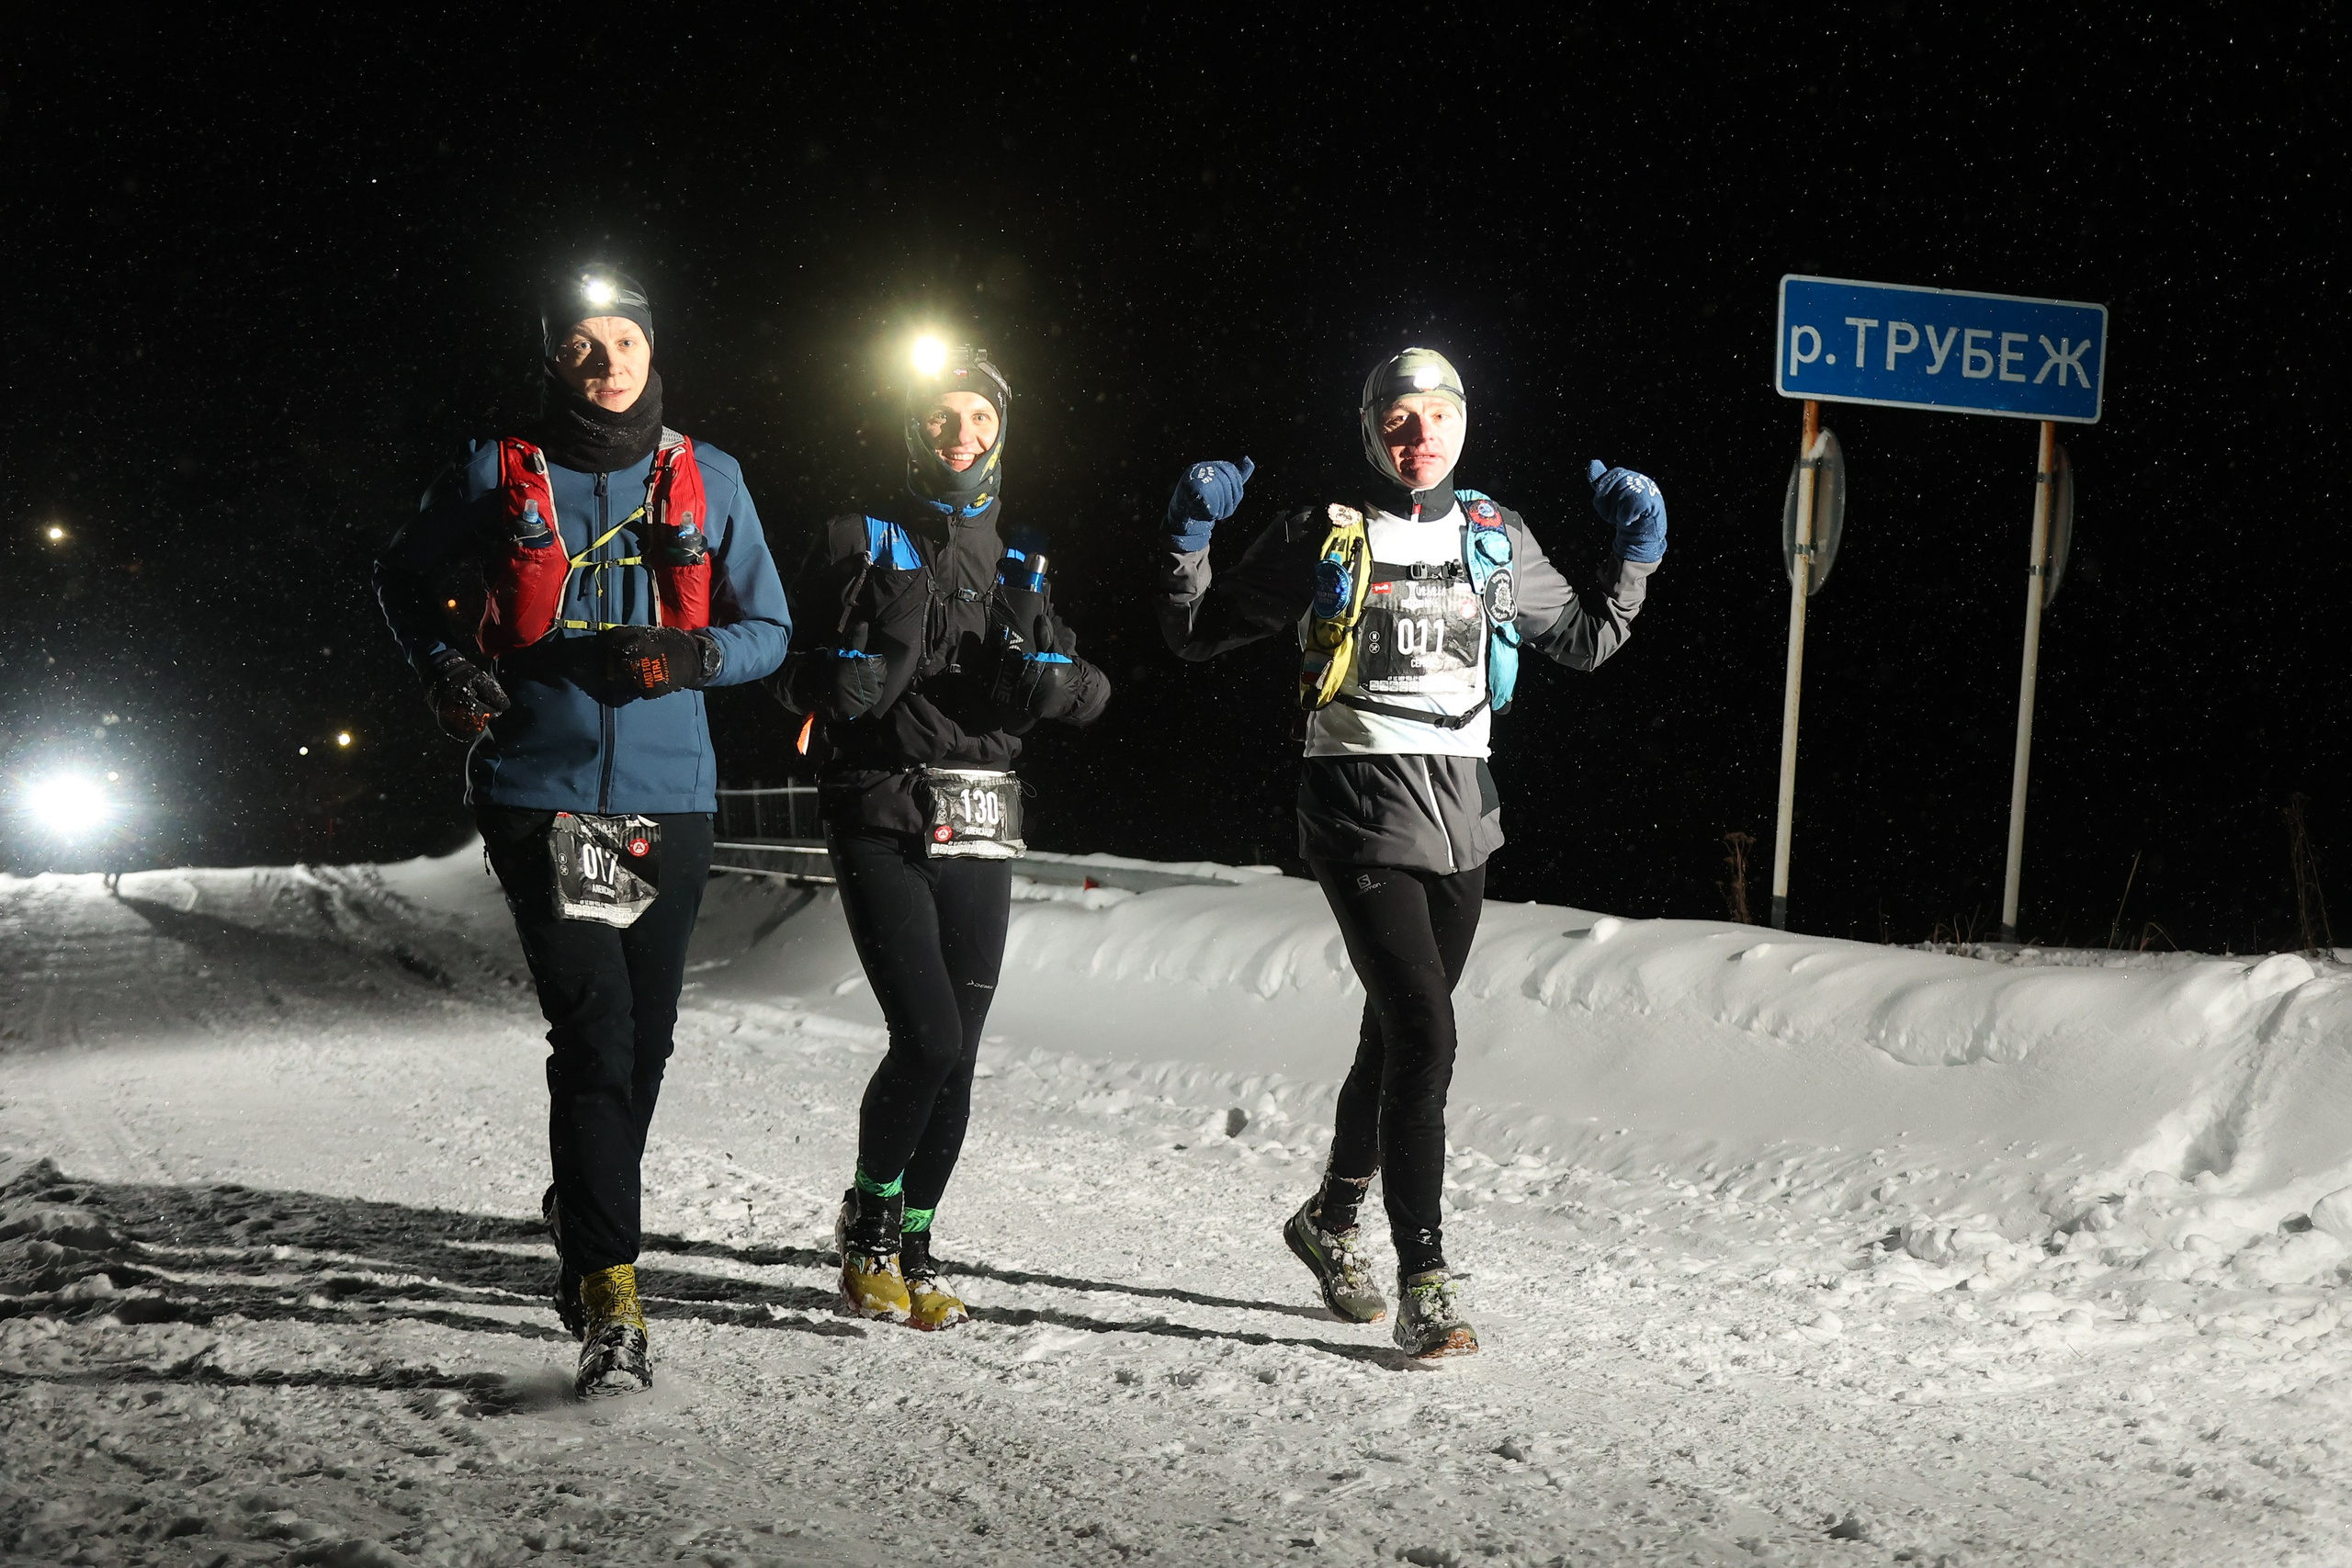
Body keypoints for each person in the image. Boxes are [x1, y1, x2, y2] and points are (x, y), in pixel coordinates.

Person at [1154, 347, 1667, 1359]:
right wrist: (1188, 534)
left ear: (1461, 426)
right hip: (1354, 800)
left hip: (1464, 809)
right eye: (1397, 417)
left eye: (1435, 415)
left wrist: (1638, 550)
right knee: (1427, 1034)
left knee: (1391, 1040)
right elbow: (1198, 634)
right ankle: (1425, 1277)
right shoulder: (1320, 531)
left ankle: (1329, 1221)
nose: (1417, 434)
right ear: (1369, 430)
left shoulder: (1494, 533)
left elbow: (1587, 638)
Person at [374, 265, 791, 1395]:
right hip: (549, 794)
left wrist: (693, 656)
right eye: (581, 346)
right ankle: (610, 1292)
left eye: (626, 341)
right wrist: (448, 665)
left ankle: (582, 1198)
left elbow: (770, 630)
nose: (607, 363)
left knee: (643, 1043)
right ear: (553, 358)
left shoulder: (709, 476)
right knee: (601, 1035)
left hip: (673, 798)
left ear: (655, 352)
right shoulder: (493, 469)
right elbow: (403, 579)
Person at [780, 337, 1111, 1329]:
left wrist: (1065, 690)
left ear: (1001, 428)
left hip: (983, 814)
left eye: (979, 417)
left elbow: (1089, 681)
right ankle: (867, 1227)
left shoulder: (1024, 553)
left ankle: (916, 1245)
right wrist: (818, 684)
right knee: (923, 1035)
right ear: (911, 428)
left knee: (958, 1053)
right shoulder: (852, 533)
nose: (961, 435)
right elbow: (784, 660)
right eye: (940, 417)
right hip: (879, 803)